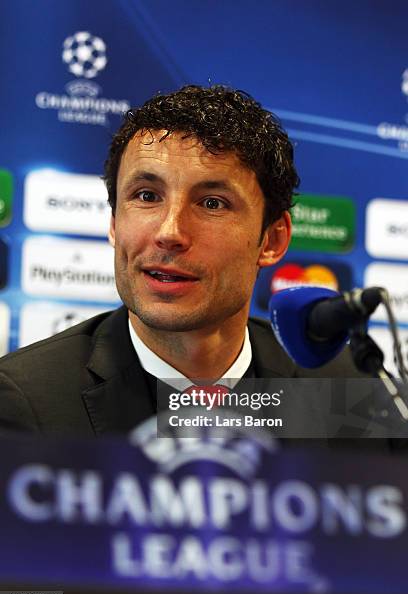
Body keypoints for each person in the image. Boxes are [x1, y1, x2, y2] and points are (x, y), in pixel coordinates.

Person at [0, 85, 363, 436]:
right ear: (114, 223)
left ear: (272, 239)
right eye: (146, 196)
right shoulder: (24, 403)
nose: (169, 232)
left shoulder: (352, 397)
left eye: (212, 203)